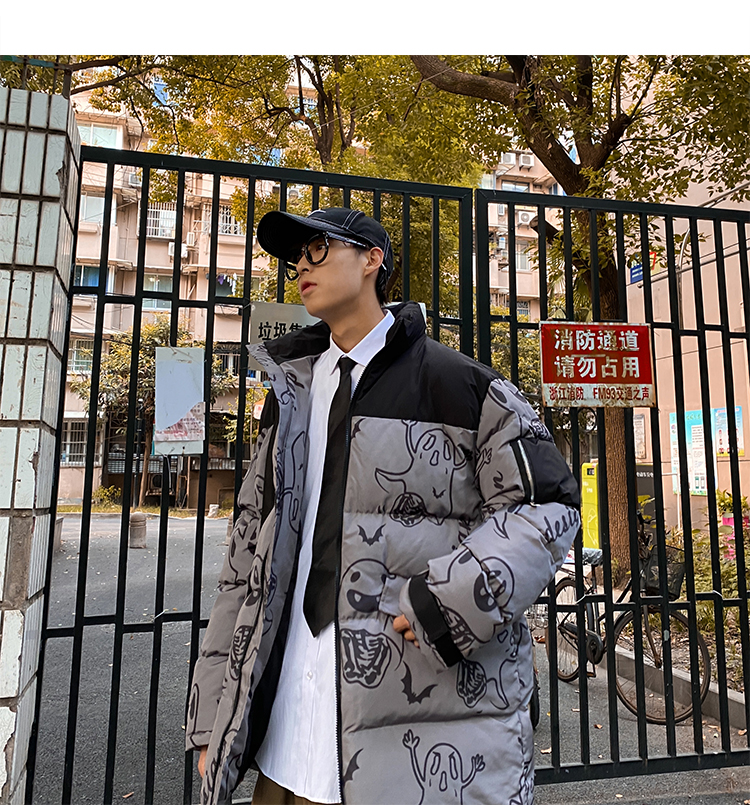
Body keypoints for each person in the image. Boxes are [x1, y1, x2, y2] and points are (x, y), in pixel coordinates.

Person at [186, 207, 581, 805]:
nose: (301, 267)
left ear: (373, 259)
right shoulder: (287, 397)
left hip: (412, 737)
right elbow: (245, 559)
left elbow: (548, 503)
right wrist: (212, 716)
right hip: (288, 739)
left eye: (319, 249)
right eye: (296, 257)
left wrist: (451, 602)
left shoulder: (462, 386)